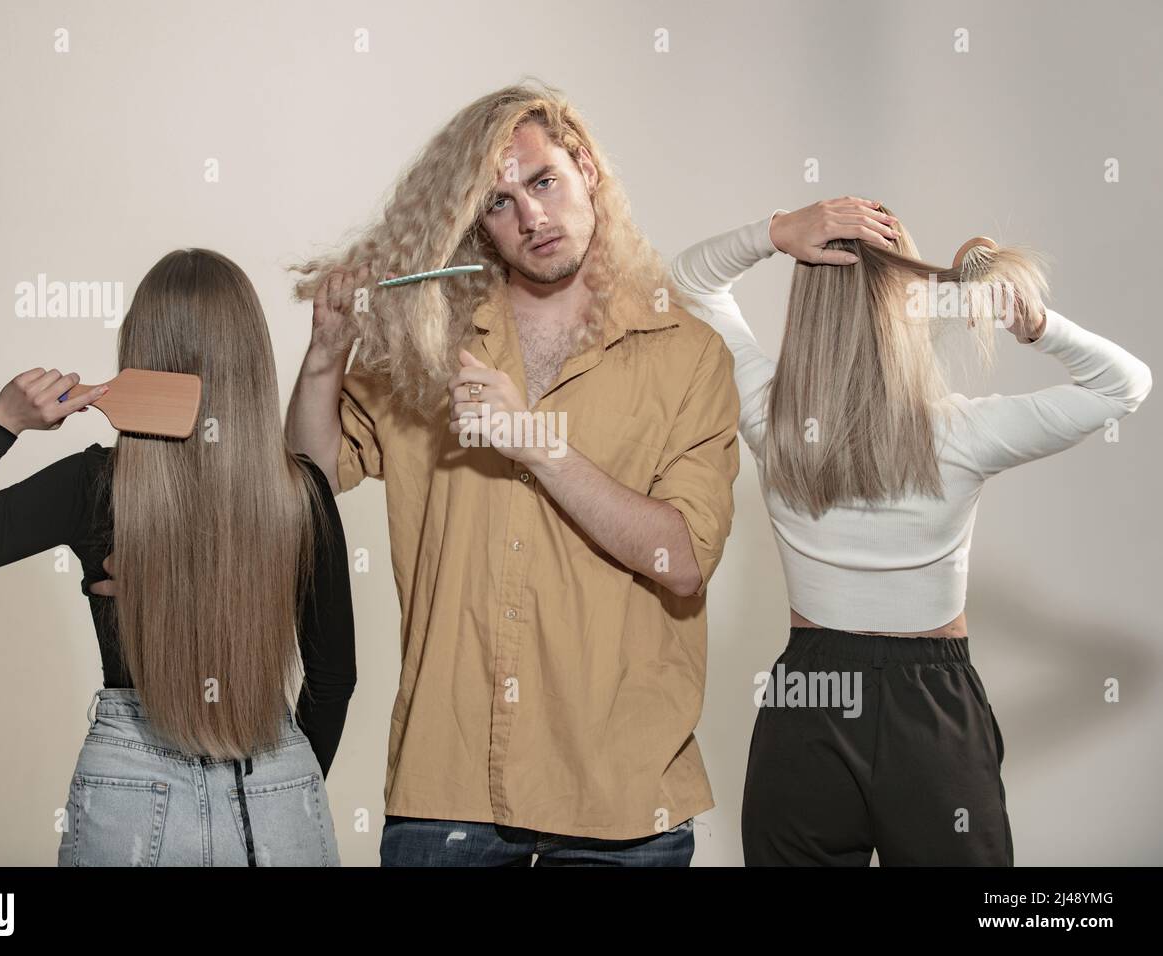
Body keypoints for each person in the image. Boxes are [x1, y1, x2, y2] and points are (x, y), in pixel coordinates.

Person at [285, 80, 740, 866]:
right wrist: (325, 355)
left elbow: (683, 560)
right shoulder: (429, 345)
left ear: (587, 168)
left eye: (543, 182)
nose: (530, 217)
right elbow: (306, 481)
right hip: (448, 785)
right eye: (498, 203)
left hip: (621, 799)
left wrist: (535, 441)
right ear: (475, 224)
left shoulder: (688, 354)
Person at [669, 197, 1153, 865]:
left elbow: (691, 281)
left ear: (807, 300)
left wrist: (779, 233)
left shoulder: (769, 415)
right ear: (907, 304)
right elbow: (1124, 385)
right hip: (932, 710)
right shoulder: (962, 433)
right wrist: (1036, 325)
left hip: (806, 701)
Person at [0, 248, 356, 867]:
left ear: (138, 348)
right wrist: (283, 791)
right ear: (253, 358)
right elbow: (333, 680)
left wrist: (4, 418)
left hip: (134, 792)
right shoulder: (303, 493)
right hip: (274, 789)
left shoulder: (94, 486)